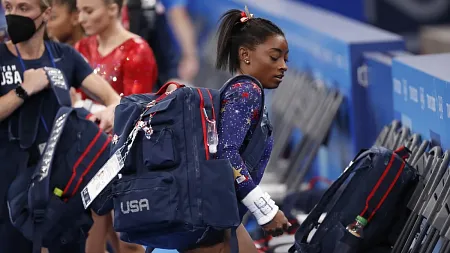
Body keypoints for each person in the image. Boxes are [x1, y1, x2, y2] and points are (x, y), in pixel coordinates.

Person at [146, 7, 291, 253]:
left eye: (285, 58)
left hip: (217, 214)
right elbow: (225, 152)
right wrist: (265, 209)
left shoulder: (239, 90)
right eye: (274, 57)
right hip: (210, 219)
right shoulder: (247, 92)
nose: (283, 66)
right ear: (245, 55)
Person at [0, 0, 121, 251]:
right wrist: (23, 90)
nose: (13, 15)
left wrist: (110, 112)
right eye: (9, 7)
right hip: (7, 178)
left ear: (46, 13)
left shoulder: (63, 56)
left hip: (57, 179)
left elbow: (112, 98)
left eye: (24, 8)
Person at [75, 0, 158, 97]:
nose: (81, 19)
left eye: (89, 11)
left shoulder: (137, 51)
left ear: (112, 9)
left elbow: (136, 108)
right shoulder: (82, 47)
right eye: (79, 11)